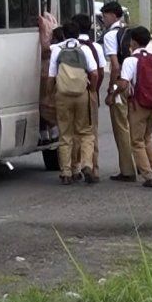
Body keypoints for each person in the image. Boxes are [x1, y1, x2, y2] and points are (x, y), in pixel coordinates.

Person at [117, 26, 152, 188]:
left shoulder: (130, 60)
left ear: (133, 42)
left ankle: (148, 175)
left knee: (136, 141)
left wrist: (114, 93)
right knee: (147, 137)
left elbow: (124, 84)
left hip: (138, 104)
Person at [48, 21, 99, 185]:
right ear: (78, 35)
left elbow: (51, 76)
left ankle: (66, 171)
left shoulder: (57, 50)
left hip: (62, 96)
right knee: (85, 132)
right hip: (81, 95)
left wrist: (50, 94)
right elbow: (95, 73)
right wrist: (91, 89)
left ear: (63, 34)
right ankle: (86, 164)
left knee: (65, 134)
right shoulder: (84, 49)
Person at [100, 1, 136, 182]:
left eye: (105, 15)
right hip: (132, 83)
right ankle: (142, 164)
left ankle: (128, 170)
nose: (103, 19)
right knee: (132, 126)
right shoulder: (128, 31)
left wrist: (111, 91)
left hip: (120, 84)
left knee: (121, 127)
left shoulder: (110, 36)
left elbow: (115, 66)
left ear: (113, 15)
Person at [72, 13, 106, 182]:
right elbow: (100, 72)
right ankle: (92, 167)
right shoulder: (95, 47)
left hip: (68, 94)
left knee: (71, 131)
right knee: (90, 132)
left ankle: (73, 167)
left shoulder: (68, 46)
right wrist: (94, 90)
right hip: (89, 93)